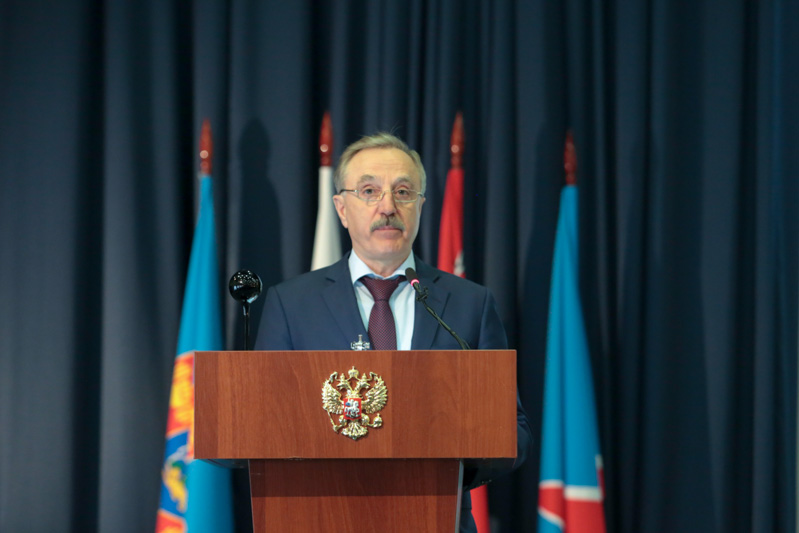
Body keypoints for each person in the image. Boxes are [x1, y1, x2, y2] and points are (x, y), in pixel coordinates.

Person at [255, 132, 532, 532]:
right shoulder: (291, 304)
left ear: (420, 205)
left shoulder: (470, 304)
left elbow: (512, 431)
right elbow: (264, 422)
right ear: (342, 208)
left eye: (403, 192)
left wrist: (447, 463)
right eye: (369, 191)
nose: (387, 207)